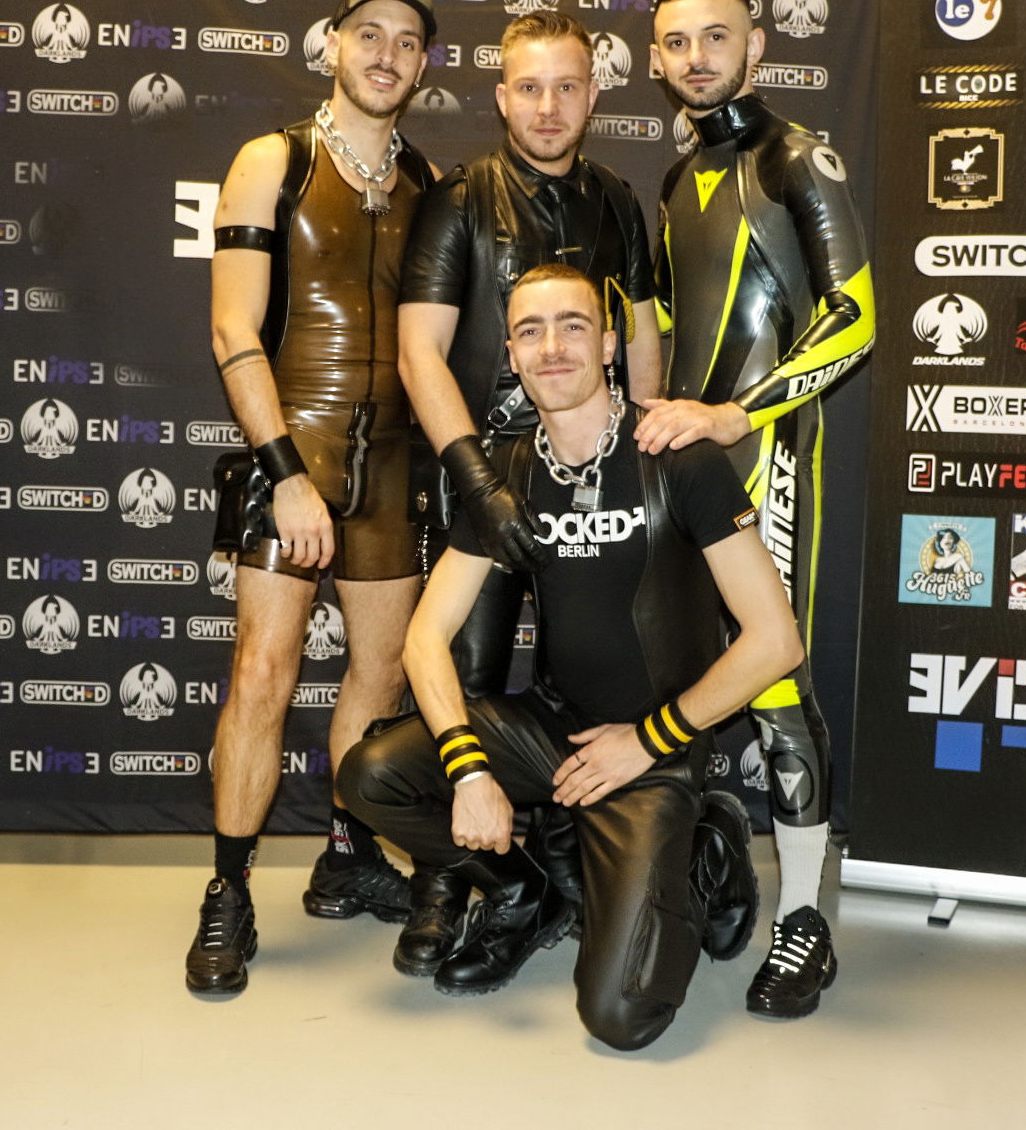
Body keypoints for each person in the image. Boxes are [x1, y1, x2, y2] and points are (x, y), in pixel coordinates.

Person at [341, 263, 803, 1050]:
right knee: (371, 773)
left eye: (572, 326)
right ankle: (527, 894)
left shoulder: (676, 455)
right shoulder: (510, 471)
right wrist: (469, 771)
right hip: (553, 728)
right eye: (530, 331)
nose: (551, 347)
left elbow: (775, 639)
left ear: (610, 346)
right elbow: (424, 637)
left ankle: (710, 850)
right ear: (512, 356)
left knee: (621, 1017)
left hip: (656, 749)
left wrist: (649, 740)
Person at [191, 0, 442, 996]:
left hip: (393, 469)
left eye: (408, 41)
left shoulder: (427, 178)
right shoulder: (274, 159)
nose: (387, 54)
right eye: (369, 33)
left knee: (380, 681)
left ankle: (345, 855)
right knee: (264, 671)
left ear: (423, 66)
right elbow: (232, 330)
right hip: (292, 457)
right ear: (333, 42)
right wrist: (287, 473)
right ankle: (228, 889)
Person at [396, 7, 663, 971]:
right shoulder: (458, 199)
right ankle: (454, 881)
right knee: (462, 683)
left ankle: (561, 871)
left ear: (594, 95)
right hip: (483, 479)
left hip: (593, 479)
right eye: (529, 88)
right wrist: (477, 482)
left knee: (582, 685)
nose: (548, 107)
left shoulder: (619, 202)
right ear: (501, 97)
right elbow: (419, 353)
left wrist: (647, 459)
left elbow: (642, 339)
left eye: (567, 87)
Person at [640, 0, 875, 1019]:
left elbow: (857, 315)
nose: (697, 58)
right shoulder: (674, 178)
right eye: (677, 42)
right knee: (676, 671)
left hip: (767, 456)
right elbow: (664, 329)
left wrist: (740, 416)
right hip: (687, 467)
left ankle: (809, 921)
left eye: (716, 36)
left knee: (775, 685)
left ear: (756, 45)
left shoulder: (793, 158)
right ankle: (702, 874)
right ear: (656, 60)